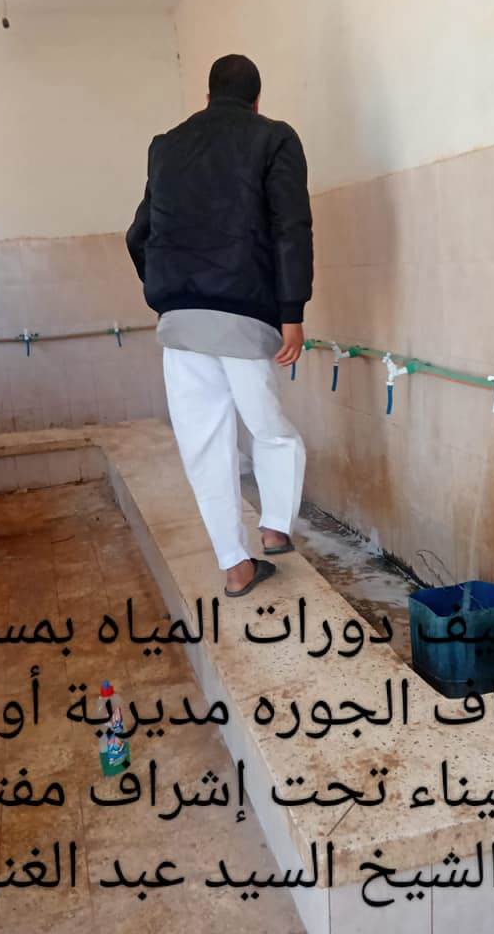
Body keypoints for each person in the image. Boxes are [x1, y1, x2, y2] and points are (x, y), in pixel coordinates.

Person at [126, 54, 313, 598]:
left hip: (180, 323)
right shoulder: (273, 138)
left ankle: (235, 567)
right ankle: (274, 526)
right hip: (243, 316)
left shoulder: (166, 146)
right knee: (270, 430)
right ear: (256, 100)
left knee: (205, 448)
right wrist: (292, 313)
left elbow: (138, 235)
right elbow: (291, 228)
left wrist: (168, 292)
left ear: (207, 97)